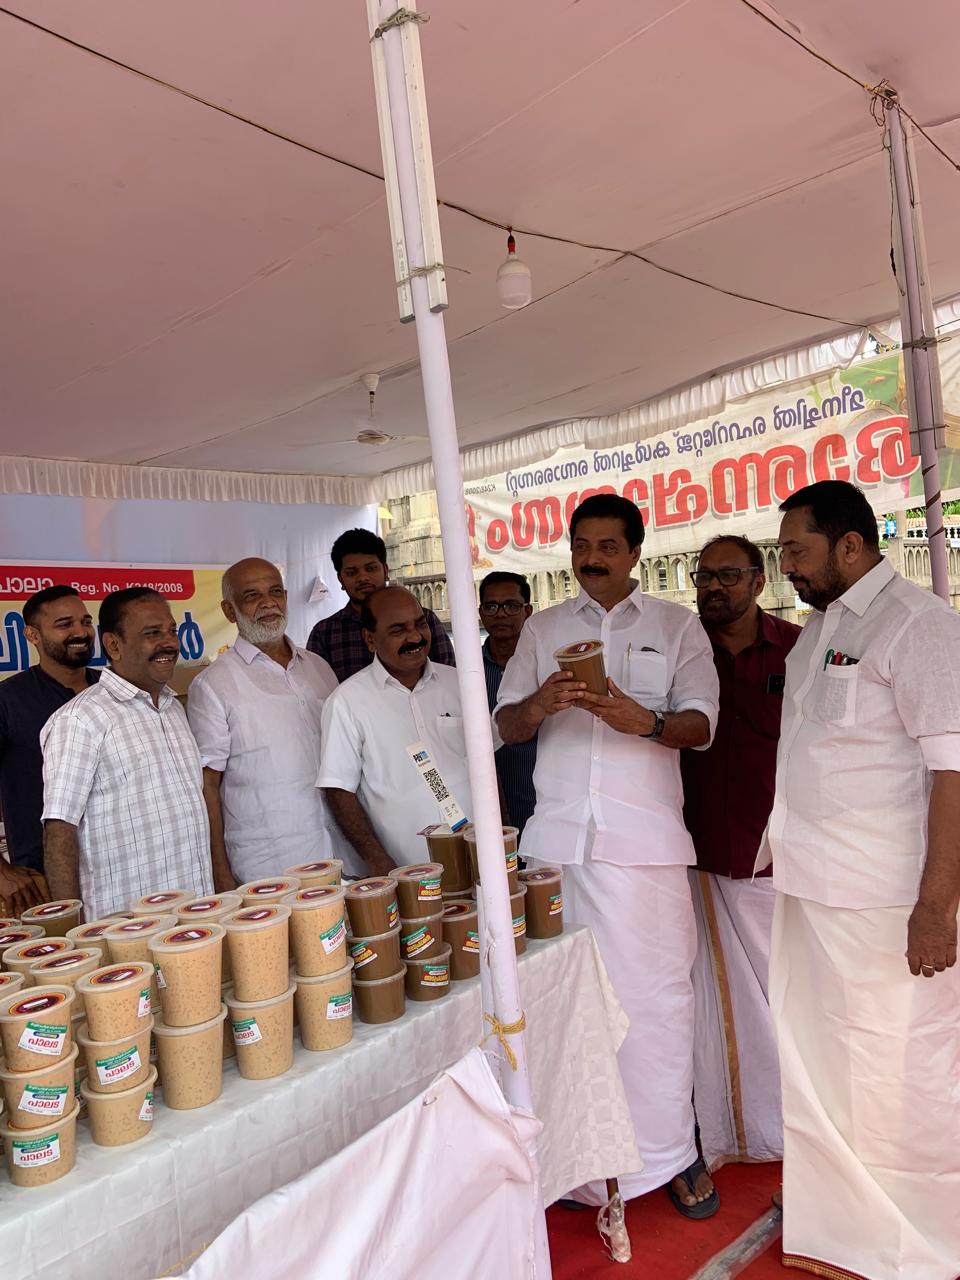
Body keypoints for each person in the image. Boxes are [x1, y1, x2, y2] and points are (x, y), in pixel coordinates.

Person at [495, 493, 720, 1216]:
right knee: (563, 1003)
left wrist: (643, 721)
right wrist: (540, 706)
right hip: (558, 849)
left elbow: (702, 726)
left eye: (606, 547)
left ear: (633, 553)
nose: (591, 559)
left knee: (656, 1003)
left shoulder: (676, 626)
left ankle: (671, 1152)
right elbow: (503, 723)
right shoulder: (543, 628)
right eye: (581, 546)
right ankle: (578, 1158)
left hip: (645, 851)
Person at [763, 480, 960, 1280]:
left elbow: (954, 770)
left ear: (850, 544)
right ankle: (845, 1228)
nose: (787, 567)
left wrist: (936, 906)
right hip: (811, 888)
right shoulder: (821, 628)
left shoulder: (918, 625)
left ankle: (920, 1240)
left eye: (797, 551)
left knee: (896, 1069)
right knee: (823, 1068)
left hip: (885, 899)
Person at [681, 536, 799, 1174]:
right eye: (704, 576)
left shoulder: (799, 651)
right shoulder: (680, 650)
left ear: (758, 581)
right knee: (708, 1007)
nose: (713, 587)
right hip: (694, 858)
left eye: (728, 576)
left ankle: (793, 1127)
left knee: (788, 1002)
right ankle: (727, 1130)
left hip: (778, 861)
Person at [41, 587, 217, 918]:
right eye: (152, 633)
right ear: (113, 645)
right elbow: (59, 830)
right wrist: (72, 930)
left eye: (172, 631)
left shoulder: (173, 709)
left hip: (194, 915)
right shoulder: (80, 720)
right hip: (125, 928)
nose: (169, 643)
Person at [187, 559, 339, 886]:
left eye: (275, 592)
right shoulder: (213, 685)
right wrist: (220, 873)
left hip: (342, 853)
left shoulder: (319, 668)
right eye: (252, 595)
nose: (268, 603)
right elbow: (207, 786)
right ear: (229, 611)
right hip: (271, 867)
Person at [317, 585, 471, 875]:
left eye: (420, 624)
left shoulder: (460, 684)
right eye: (398, 630)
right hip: (404, 871)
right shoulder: (347, 702)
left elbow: (487, 764)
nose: (415, 637)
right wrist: (378, 862)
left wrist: (501, 835)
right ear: (370, 639)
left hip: (477, 857)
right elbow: (338, 791)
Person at [0, 586, 99, 913]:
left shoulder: (113, 690)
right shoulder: (9, 700)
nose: (80, 632)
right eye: (64, 624)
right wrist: (2, 872)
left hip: (121, 868)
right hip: (42, 883)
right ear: (32, 635)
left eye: (86, 621)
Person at [307, 529, 455, 682]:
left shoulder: (424, 620)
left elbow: (447, 678)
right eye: (352, 573)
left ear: (385, 571)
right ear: (341, 580)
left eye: (371, 569)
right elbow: (318, 689)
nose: (363, 577)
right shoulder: (324, 634)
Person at [479, 572, 537, 838]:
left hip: (540, 797)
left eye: (511, 606)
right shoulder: (465, 672)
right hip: (486, 805)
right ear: (480, 613)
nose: (501, 614)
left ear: (528, 611)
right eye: (491, 606)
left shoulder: (546, 667)